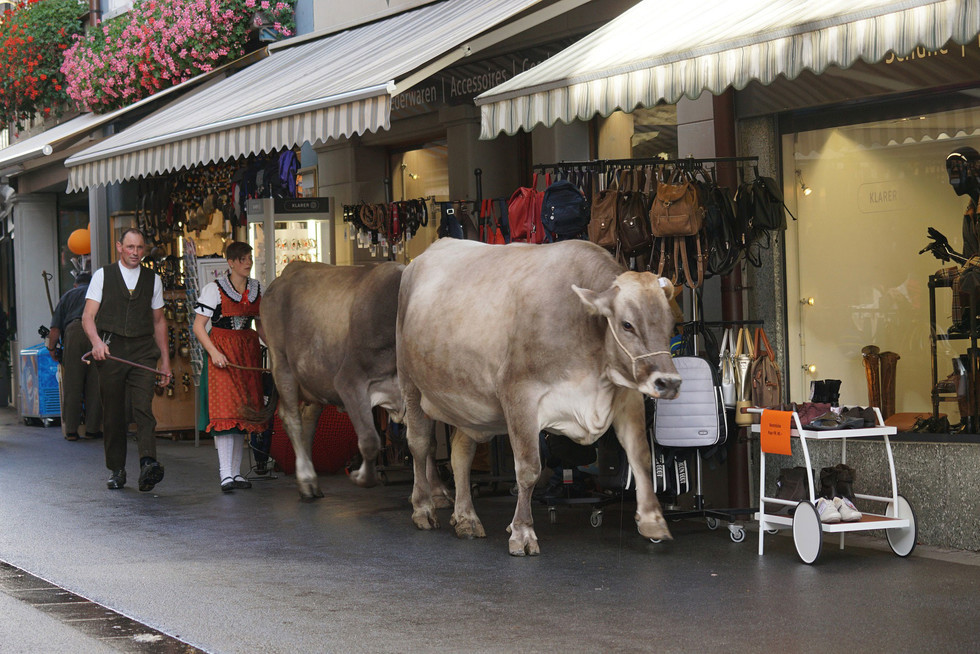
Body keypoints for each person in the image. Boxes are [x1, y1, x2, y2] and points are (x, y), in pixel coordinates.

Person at [81, 228, 171, 491]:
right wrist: (97, 343)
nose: (135, 253)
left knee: (143, 408)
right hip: (111, 348)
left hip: (143, 348)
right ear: (119, 246)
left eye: (140, 248)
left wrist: (165, 361)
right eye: (130, 247)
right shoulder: (103, 275)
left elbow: (159, 321)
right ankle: (117, 468)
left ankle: (147, 463)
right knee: (115, 412)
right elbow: (88, 316)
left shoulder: (153, 279)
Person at [192, 241, 265, 492]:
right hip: (222, 351)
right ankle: (225, 474)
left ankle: (235, 473)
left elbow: (260, 325)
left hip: (247, 352)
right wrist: (213, 352)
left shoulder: (256, 288)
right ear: (231, 263)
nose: (248, 262)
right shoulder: (214, 289)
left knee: (242, 413)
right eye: (243, 259)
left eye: (249, 258)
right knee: (225, 413)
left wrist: (275, 348)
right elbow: (198, 326)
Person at [47, 272, 102, 441]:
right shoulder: (98, 293)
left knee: (73, 382)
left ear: (75, 285)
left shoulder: (68, 296)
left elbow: (55, 329)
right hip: (96, 332)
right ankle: (92, 430)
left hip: (74, 331)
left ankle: (71, 430)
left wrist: (51, 348)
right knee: (95, 382)